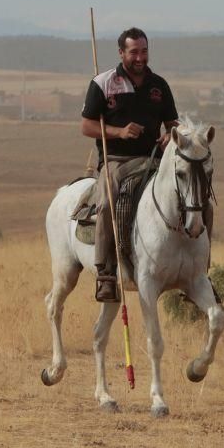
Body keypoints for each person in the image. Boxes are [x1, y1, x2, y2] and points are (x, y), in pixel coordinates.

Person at [81, 27, 179, 302]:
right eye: (134, 52)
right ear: (121, 52)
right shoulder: (103, 83)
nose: (140, 57)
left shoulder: (159, 85)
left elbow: (174, 123)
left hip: (154, 160)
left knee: (193, 192)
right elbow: (87, 126)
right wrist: (119, 132)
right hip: (116, 161)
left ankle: (198, 266)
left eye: (144, 51)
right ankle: (105, 273)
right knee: (107, 201)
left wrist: (170, 134)